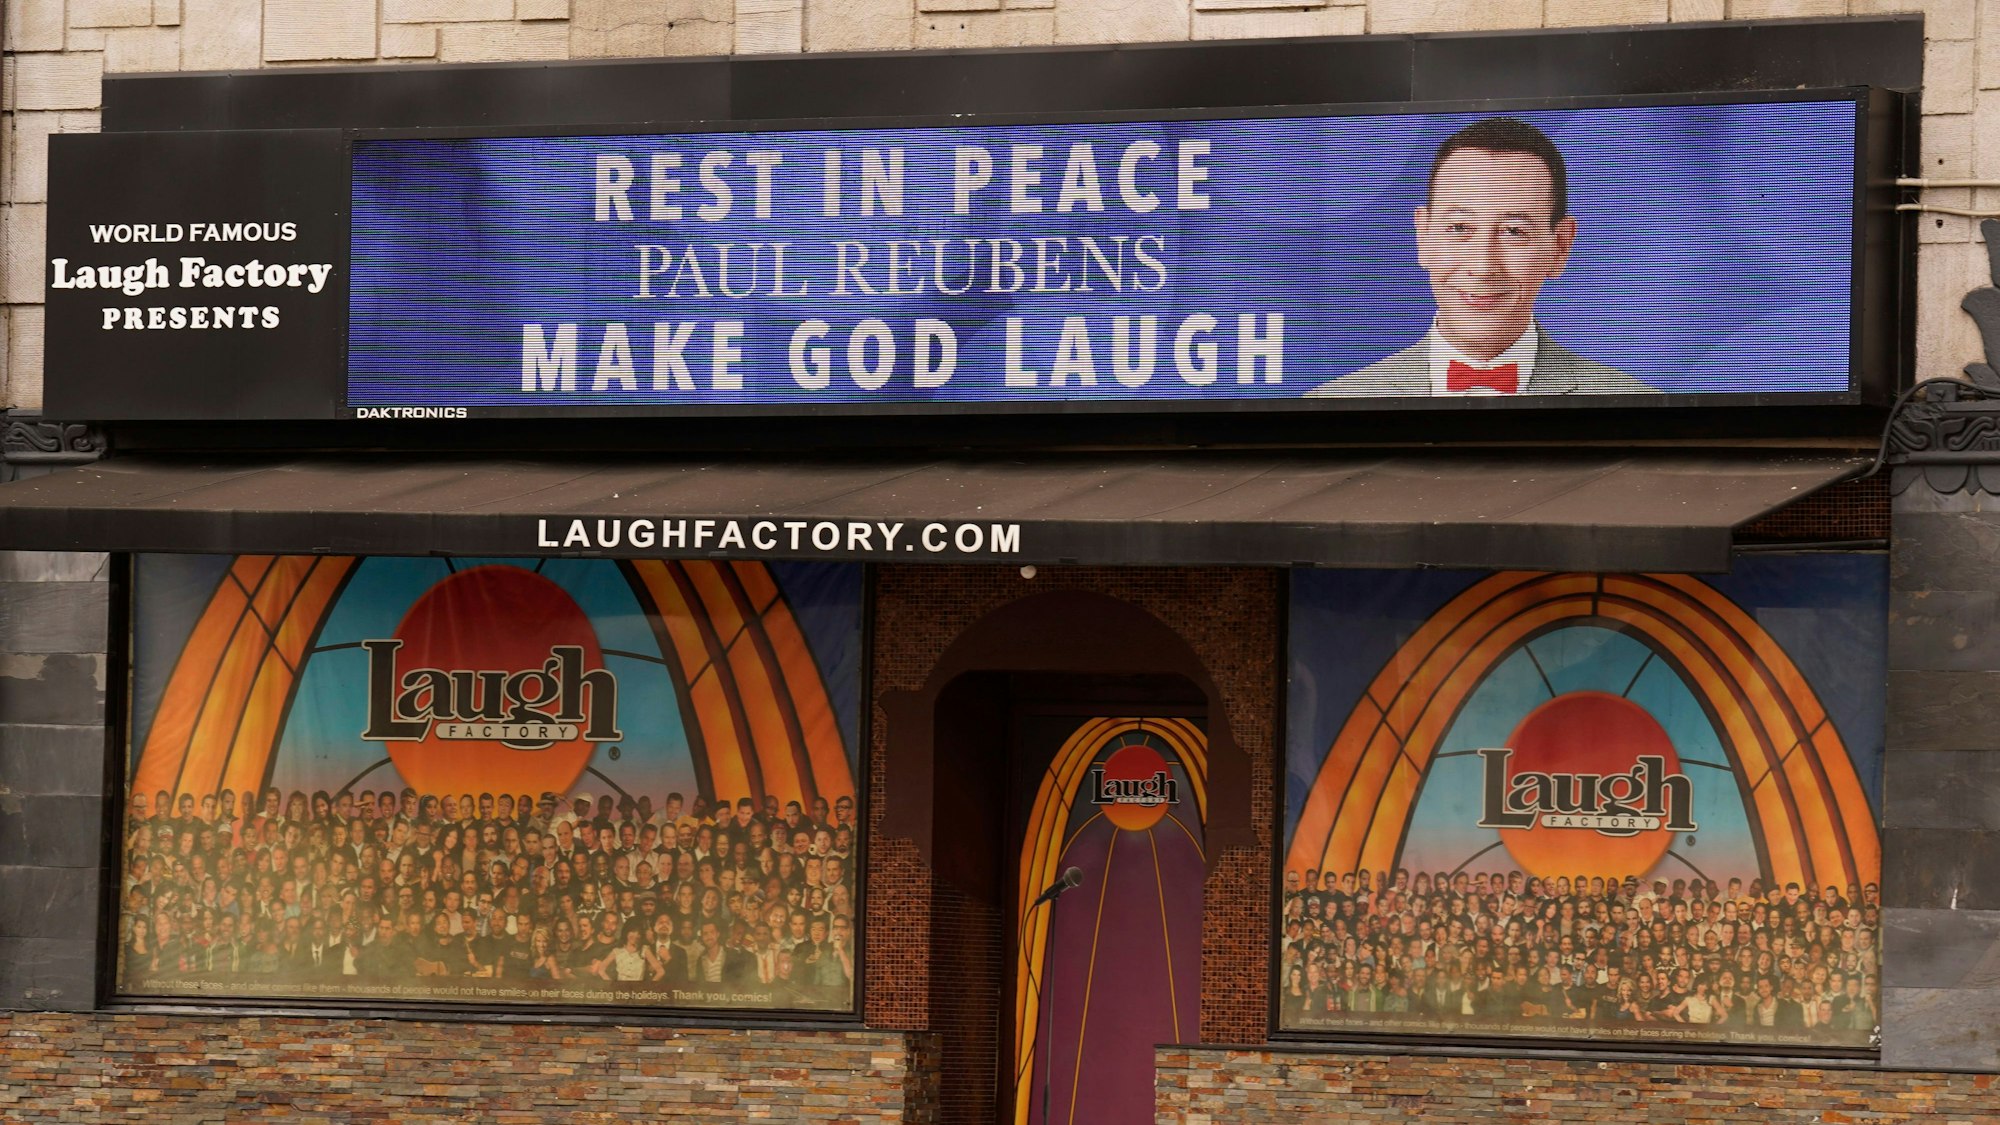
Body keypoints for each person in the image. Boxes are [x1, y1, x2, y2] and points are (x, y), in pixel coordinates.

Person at [1308, 117, 1657, 398]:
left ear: (1560, 246)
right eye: (1459, 228)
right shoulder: (1334, 401)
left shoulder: (1627, 400)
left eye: (1514, 232)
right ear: (1423, 237)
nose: (1483, 266)